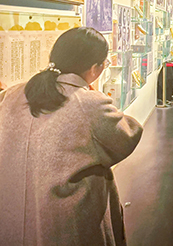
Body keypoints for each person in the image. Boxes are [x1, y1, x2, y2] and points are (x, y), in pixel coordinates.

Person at [0, 27, 143, 245]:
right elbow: (127, 136)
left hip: (12, 210)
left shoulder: (12, 94)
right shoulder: (89, 103)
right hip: (63, 220)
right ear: (95, 68)